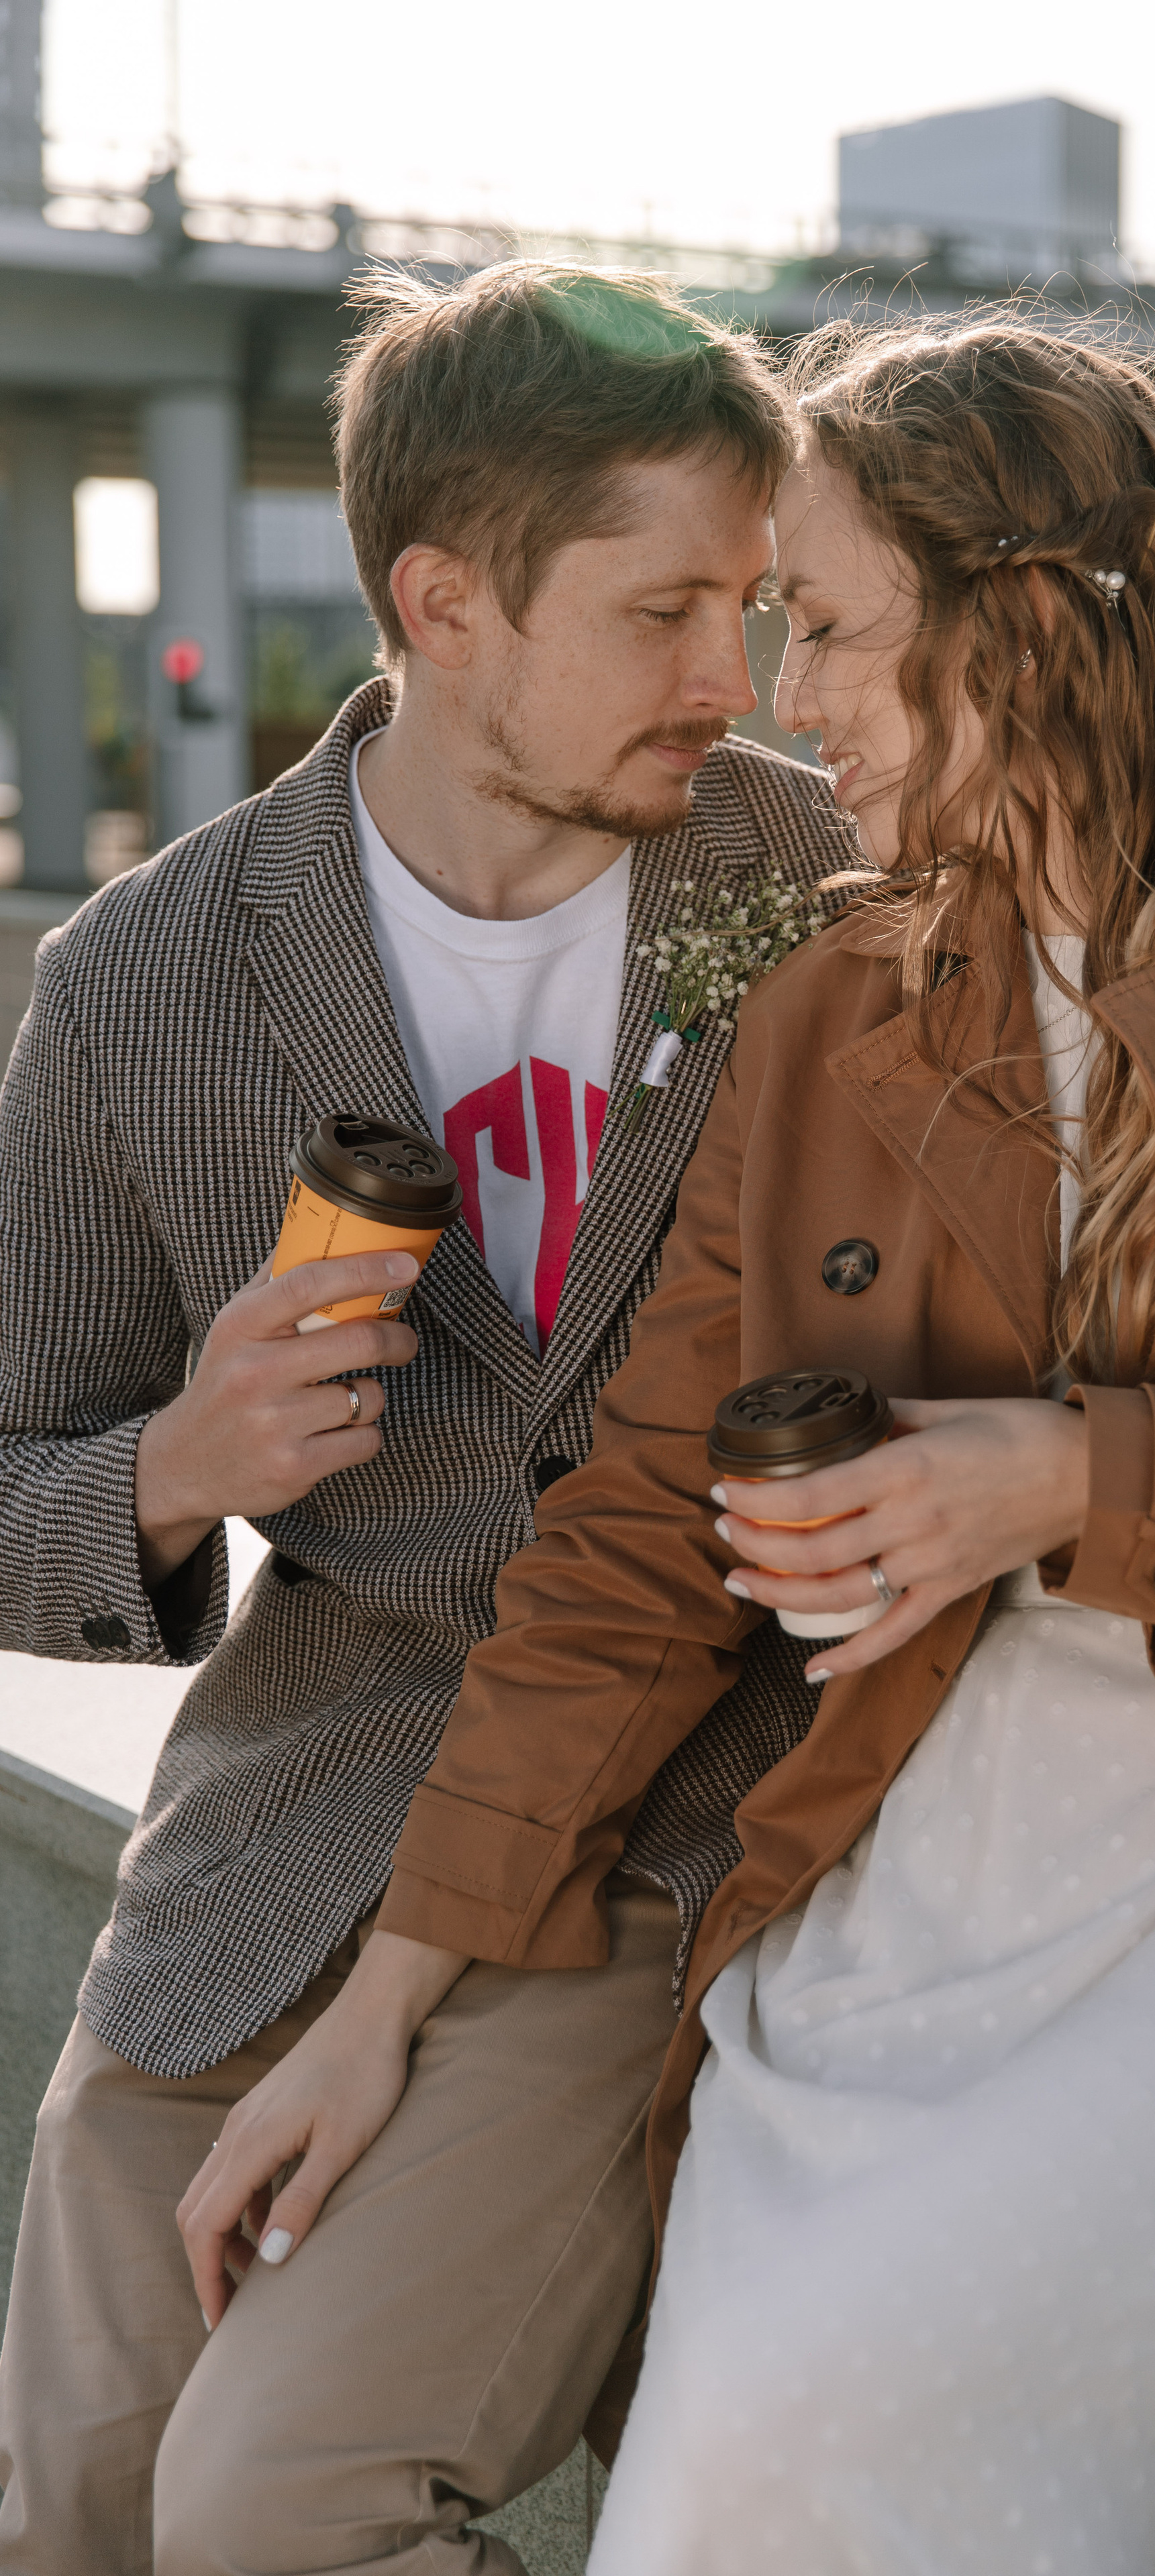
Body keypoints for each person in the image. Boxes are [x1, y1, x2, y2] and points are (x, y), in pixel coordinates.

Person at [211, 315, 1155, 2575]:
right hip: (905, 1878)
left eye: (829, 628)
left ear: (1029, 629)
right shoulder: (841, 1008)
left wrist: (1075, 1478)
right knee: (734, 2443)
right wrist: (385, 2002)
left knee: (843, 2392)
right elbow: (637, 1535)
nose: (787, 702)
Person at [0, 261, 857, 2576]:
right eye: (666, 607)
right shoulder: (141, 983)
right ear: (443, 600)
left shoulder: (840, 899)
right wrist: (178, 1465)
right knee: (71, 2510)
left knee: (285, 2516)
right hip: (281, 1841)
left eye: (754, 606)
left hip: (672, 1822)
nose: (733, 679)